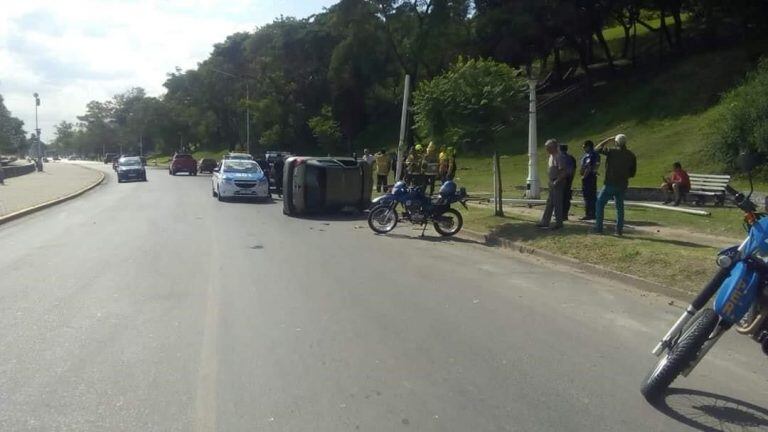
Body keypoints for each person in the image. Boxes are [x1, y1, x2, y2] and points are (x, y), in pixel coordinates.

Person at [593, 133, 637, 236]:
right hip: (622, 184)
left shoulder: (611, 152)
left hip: (610, 183)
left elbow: (596, 149)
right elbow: (633, 173)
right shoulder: (631, 155)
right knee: (620, 208)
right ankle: (619, 230)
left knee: (599, 204)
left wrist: (608, 139)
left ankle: (598, 229)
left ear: (616, 142)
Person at [537, 139, 569, 230]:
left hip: (558, 182)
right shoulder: (551, 157)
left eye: (548, 147)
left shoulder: (559, 157)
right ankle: (545, 221)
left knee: (557, 203)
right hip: (552, 182)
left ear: (554, 147)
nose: (546, 149)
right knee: (550, 202)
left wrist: (556, 181)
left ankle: (559, 223)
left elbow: (563, 172)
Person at [579, 140, 600, 220]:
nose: (583, 148)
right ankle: (593, 213)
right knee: (592, 196)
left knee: (587, 196)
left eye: (584, 146)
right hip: (592, 177)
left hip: (588, 178)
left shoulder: (590, 155)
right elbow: (596, 165)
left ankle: (589, 214)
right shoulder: (596, 154)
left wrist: (584, 176)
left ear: (588, 146)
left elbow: (588, 166)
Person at [559, 144, 577, 220]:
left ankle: (559, 214)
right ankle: (565, 215)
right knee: (567, 198)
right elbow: (574, 169)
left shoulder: (559, 157)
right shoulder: (571, 158)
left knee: (559, 198)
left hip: (560, 180)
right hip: (569, 179)